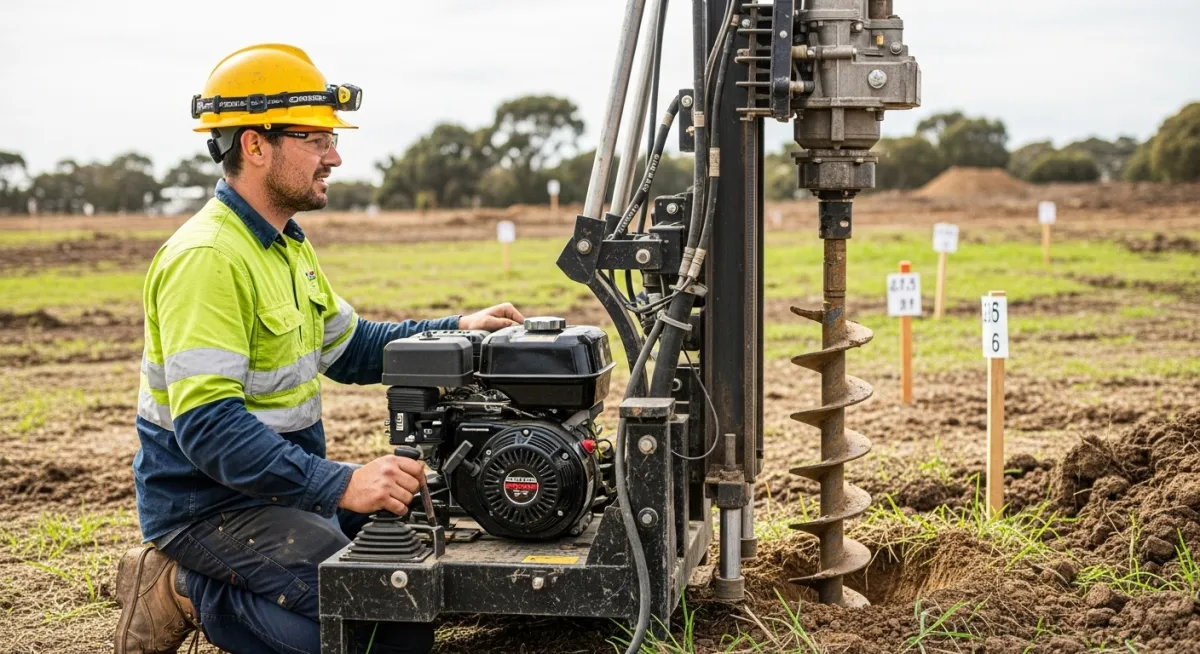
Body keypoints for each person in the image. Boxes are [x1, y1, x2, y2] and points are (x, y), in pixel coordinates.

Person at [113, 43, 524, 654]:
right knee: (387, 630)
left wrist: (460, 328)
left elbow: (355, 348)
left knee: (430, 546)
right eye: (315, 139)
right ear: (255, 145)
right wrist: (341, 484)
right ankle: (182, 588)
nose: (335, 156)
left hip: (275, 490)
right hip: (211, 507)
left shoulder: (284, 245)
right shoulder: (207, 259)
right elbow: (209, 429)